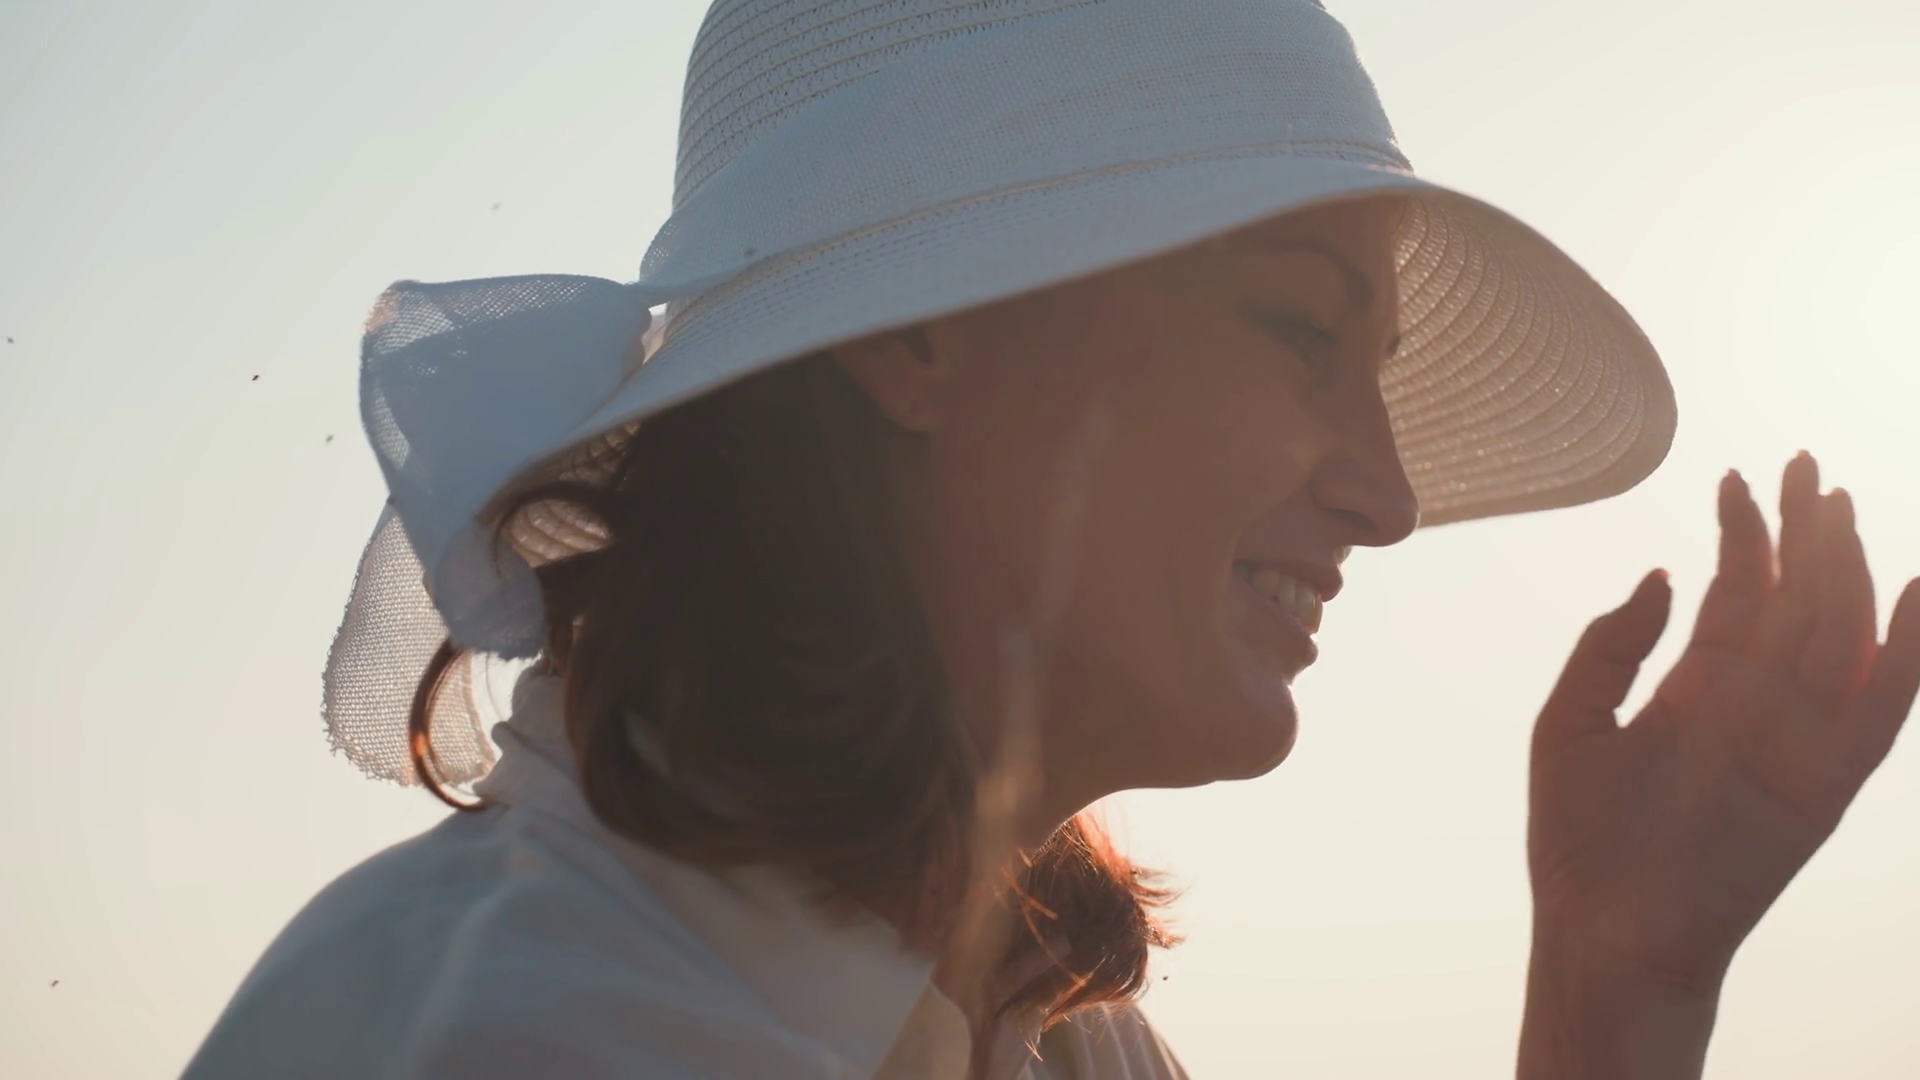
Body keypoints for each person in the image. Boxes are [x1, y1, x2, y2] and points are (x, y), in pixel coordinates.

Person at [183, 2, 1920, 1078]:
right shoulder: (524, 1037)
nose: (1389, 500)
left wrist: (1620, 991)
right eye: (1298, 329)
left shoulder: (1053, 1037)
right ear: (919, 336)